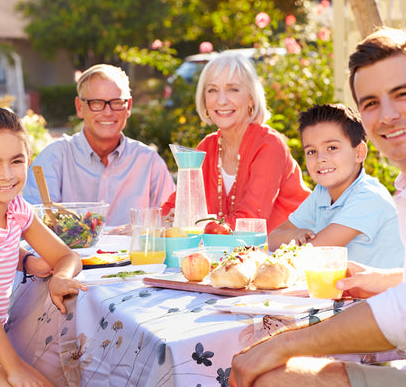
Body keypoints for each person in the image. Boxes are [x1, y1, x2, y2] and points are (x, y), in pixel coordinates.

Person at [229, 27, 406, 387]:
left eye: (402, 94)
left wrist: (285, 345)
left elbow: (310, 254)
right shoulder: (336, 193)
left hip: (382, 340)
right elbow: (278, 238)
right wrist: (386, 279)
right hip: (358, 314)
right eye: (371, 103)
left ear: (360, 151)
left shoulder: (370, 196)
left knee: (265, 365)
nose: (387, 115)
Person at [0, 106, 87, 387]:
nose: (6, 175)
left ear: (29, 159)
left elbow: (66, 255)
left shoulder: (18, 209)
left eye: (16, 161)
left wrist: (61, 276)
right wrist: (13, 369)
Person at [161, 51, 310, 232]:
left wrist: (192, 223)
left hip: (291, 253)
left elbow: (249, 223)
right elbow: (172, 209)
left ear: (251, 98)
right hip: (234, 256)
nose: (221, 100)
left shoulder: (269, 145)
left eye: (233, 89)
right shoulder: (207, 147)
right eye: (212, 90)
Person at [23, 64, 175, 228]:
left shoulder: (150, 163)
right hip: (70, 254)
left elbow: (169, 224)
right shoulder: (52, 160)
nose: (108, 112)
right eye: (96, 103)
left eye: (116, 102)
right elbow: (33, 227)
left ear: (128, 106)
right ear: (80, 107)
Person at [268, 103, 403, 268]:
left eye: (332, 148)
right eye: (311, 151)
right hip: (341, 289)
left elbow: (315, 253)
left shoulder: (369, 197)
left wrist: (294, 241)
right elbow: (273, 238)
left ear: (359, 152)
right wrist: (295, 234)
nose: (320, 159)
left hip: (378, 293)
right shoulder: (322, 192)